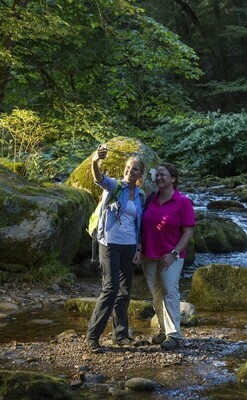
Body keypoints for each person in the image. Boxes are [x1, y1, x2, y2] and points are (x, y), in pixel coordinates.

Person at [86, 144, 145, 354]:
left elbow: (139, 224)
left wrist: (139, 247)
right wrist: (95, 160)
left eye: (134, 169)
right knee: (110, 289)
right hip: (109, 243)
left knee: (125, 291)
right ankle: (93, 337)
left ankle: (120, 335)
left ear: (140, 174)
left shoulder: (140, 195)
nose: (130, 172)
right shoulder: (115, 186)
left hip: (129, 246)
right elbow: (99, 179)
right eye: (128, 168)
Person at [136, 163, 195, 350]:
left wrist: (174, 253)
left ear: (173, 179)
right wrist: (139, 247)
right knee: (156, 294)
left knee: (169, 291)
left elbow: (188, 232)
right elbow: (141, 225)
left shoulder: (183, 202)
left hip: (171, 256)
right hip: (149, 253)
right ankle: (163, 331)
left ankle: (174, 335)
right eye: (157, 175)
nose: (159, 178)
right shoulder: (151, 198)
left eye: (163, 175)